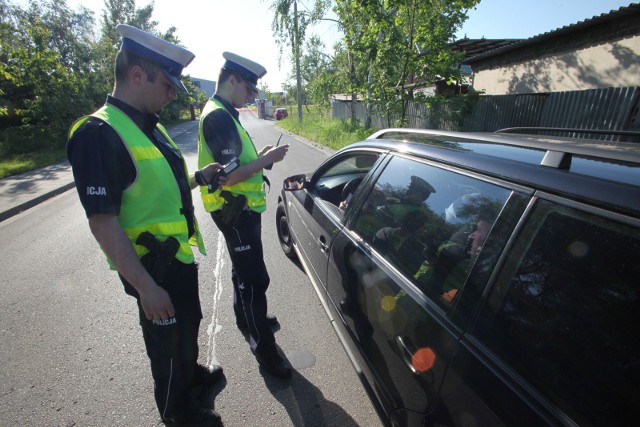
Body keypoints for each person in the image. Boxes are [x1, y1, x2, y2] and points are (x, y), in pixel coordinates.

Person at [66, 24, 225, 426]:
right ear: (138, 75)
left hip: (176, 260)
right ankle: (179, 415)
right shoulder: (98, 134)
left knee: (188, 327)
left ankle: (191, 383)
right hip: (153, 269)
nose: (173, 94)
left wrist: (199, 177)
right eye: (168, 83)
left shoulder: (147, 125)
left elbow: (158, 185)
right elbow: (103, 223)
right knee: (167, 348)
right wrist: (146, 288)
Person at [197, 52, 291, 379]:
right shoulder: (218, 116)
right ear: (232, 80)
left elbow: (236, 162)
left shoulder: (224, 112)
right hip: (234, 212)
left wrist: (262, 156)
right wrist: (267, 160)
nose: (251, 95)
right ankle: (265, 352)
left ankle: (249, 321)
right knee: (254, 281)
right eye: (248, 88)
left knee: (245, 276)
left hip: (240, 211)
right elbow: (229, 176)